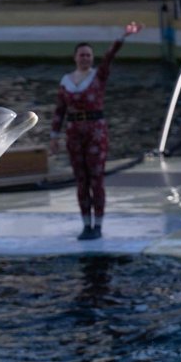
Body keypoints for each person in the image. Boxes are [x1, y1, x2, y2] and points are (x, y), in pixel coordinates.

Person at [49, 21, 143, 241]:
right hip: (73, 132)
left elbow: (110, 56)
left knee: (96, 178)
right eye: (82, 55)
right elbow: (59, 110)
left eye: (88, 55)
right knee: (81, 179)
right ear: (75, 57)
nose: (85, 58)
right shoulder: (66, 81)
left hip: (96, 131)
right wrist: (54, 136)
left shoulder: (98, 76)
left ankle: (98, 225)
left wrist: (123, 36)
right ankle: (86, 224)